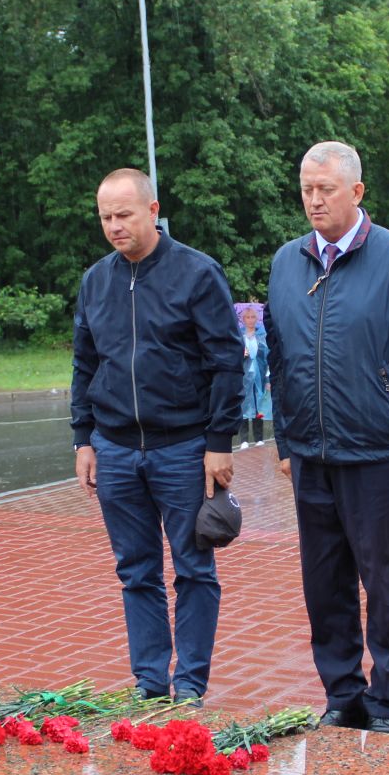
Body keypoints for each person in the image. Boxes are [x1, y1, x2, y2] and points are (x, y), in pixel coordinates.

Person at [264, 141, 389, 735]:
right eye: (306, 190)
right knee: (324, 586)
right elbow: (280, 358)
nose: (314, 201)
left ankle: (387, 700)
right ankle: (342, 693)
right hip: (313, 457)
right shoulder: (287, 262)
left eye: (326, 190)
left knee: (384, 584)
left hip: (379, 455)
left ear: (356, 192)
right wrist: (286, 442)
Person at [72, 168, 243, 704]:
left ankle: (190, 683)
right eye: (106, 217)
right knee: (135, 571)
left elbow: (225, 361)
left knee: (194, 569)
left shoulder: (196, 273)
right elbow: (84, 363)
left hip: (185, 449)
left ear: (153, 210)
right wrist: (83, 438)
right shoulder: (96, 281)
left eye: (124, 214)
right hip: (116, 450)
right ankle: (149, 682)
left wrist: (219, 442)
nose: (115, 226)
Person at [239, 305, 271, 449]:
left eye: (253, 317)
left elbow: (268, 357)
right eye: (247, 317)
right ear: (242, 319)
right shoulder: (238, 336)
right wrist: (241, 355)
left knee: (259, 406)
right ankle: (244, 440)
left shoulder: (262, 336)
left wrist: (268, 379)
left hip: (259, 376)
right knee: (243, 407)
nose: (250, 320)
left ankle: (259, 438)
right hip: (243, 377)